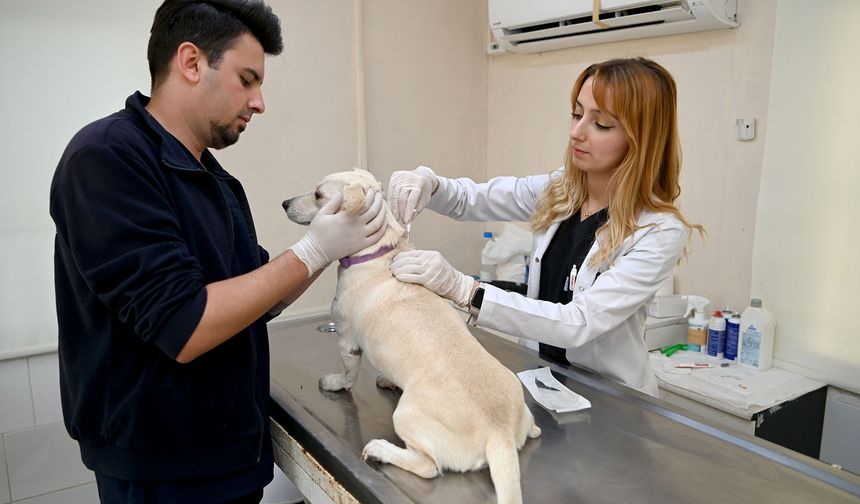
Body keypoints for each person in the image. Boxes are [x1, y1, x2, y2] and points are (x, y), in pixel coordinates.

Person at [49, 1, 385, 502]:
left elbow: (260, 298)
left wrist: (339, 241)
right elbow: (183, 324)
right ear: (191, 62)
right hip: (161, 468)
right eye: (247, 80)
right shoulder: (108, 158)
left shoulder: (211, 176)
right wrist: (316, 248)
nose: (259, 103)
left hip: (229, 456)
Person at [387, 57, 702, 397]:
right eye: (577, 114)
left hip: (611, 398)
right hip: (543, 380)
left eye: (601, 124)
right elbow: (471, 199)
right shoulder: (559, 190)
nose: (576, 132)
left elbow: (578, 322)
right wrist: (430, 184)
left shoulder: (657, 232)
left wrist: (466, 290)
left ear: (641, 138)